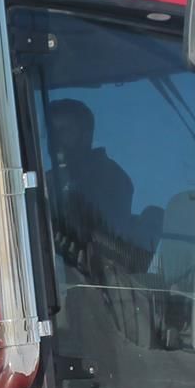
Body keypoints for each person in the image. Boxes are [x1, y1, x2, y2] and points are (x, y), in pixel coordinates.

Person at [44, 98, 149, 280]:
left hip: (97, 283)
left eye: (64, 131)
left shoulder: (111, 177)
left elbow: (107, 238)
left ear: (86, 135)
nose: (56, 139)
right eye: (52, 132)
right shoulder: (46, 181)